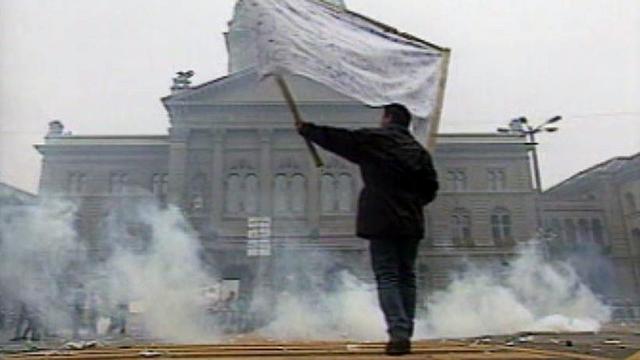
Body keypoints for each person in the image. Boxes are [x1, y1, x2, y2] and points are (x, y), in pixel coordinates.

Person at [297, 103, 438, 356]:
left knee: (388, 276)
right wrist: (412, 202)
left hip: (382, 218)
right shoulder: (419, 152)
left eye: (382, 117)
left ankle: (398, 333)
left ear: (387, 118)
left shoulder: (376, 141)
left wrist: (309, 130)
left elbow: (341, 140)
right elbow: (431, 188)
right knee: (407, 276)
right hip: (411, 221)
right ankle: (405, 331)